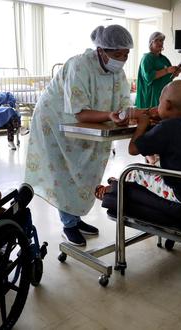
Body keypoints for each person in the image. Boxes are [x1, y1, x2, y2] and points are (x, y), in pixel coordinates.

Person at [24, 25, 135, 246]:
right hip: (55, 122)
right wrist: (110, 115)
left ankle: (75, 218)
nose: (122, 59)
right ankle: (68, 224)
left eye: (126, 54)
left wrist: (126, 115)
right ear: (102, 50)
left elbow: (123, 103)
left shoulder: (117, 73)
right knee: (66, 171)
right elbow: (78, 110)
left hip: (90, 123)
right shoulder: (79, 66)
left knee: (86, 169)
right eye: (117, 54)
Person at [96, 80, 181, 209]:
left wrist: (142, 126)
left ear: (167, 105)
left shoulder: (165, 128)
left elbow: (132, 150)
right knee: (154, 164)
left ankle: (114, 188)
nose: (157, 106)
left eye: (159, 103)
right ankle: (117, 183)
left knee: (134, 171)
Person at [134, 32, 181, 109]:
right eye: (157, 40)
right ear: (151, 42)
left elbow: (169, 77)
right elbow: (148, 77)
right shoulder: (147, 58)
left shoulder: (164, 59)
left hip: (164, 96)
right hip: (150, 98)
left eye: (162, 41)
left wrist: (176, 72)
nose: (160, 43)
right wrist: (167, 70)